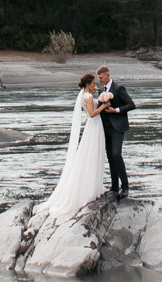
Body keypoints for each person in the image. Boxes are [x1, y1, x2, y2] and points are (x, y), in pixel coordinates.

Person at [41, 72, 110, 218]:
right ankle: (91, 188)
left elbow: (88, 114)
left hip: (92, 126)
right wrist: (104, 105)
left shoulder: (84, 95)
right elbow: (92, 114)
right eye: (93, 83)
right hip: (94, 126)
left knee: (90, 154)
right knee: (92, 155)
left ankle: (94, 186)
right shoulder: (88, 97)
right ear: (88, 84)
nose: (95, 85)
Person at [94, 66, 136, 198]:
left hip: (117, 127)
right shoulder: (101, 90)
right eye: (98, 78)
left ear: (108, 75)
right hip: (105, 127)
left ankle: (125, 186)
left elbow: (131, 105)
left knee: (116, 154)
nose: (100, 80)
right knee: (110, 157)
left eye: (101, 77)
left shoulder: (119, 88)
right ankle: (114, 187)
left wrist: (116, 110)